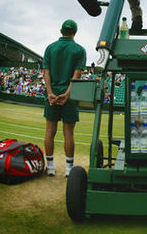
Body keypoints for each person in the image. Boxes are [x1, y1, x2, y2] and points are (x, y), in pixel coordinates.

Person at [42, 20, 86, 177]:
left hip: (52, 95)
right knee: (69, 134)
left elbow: (46, 73)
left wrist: (50, 93)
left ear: (61, 30)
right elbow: (77, 75)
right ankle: (69, 168)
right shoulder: (79, 50)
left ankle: (51, 166)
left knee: (50, 131)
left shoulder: (50, 48)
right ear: (75, 32)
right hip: (70, 96)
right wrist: (67, 94)